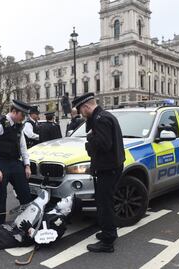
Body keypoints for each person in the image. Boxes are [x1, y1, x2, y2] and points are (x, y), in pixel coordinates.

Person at [72, 93, 125, 253]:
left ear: (86, 106)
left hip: (107, 169)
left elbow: (104, 144)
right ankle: (108, 232)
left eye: (81, 110)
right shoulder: (104, 116)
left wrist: (90, 141)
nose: (81, 114)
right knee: (105, 202)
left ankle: (108, 241)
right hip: (111, 167)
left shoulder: (100, 119)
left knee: (105, 204)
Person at [0, 100, 33, 226]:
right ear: (14, 111)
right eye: (22, 115)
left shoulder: (19, 126)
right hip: (1, 163)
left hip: (14, 162)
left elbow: (22, 146)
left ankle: (27, 222)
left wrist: (27, 165)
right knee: (0, 197)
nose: (23, 119)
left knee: (25, 193)